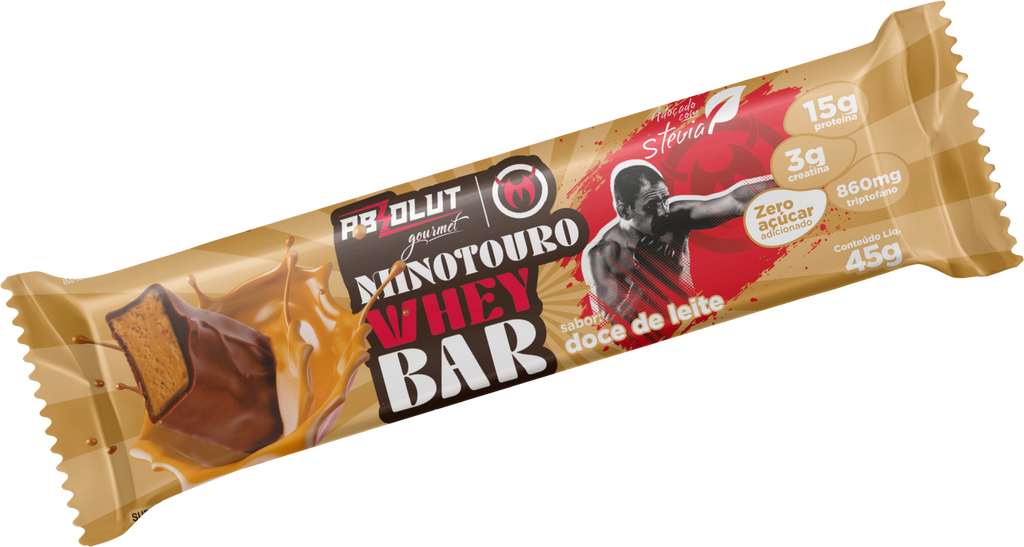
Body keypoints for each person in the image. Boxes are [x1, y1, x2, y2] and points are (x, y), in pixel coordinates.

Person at [583, 159, 775, 324]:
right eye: (650, 206)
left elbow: (736, 201)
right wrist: (645, 279)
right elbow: (614, 326)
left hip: (699, 323)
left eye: (665, 200)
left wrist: (787, 179)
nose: (663, 211)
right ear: (624, 210)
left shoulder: (675, 218)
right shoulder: (605, 253)